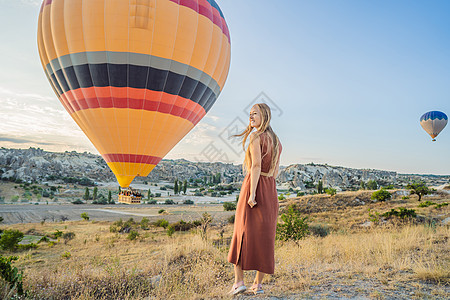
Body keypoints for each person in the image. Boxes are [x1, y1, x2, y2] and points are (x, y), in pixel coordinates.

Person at [227, 103, 282, 295]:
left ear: (264, 116)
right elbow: (274, 172)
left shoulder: (255, 136)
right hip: (270, 189)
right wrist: (267, 190)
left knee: (241, 233)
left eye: (255, 114)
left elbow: (256, 166)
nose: (251, 117)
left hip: (254, 186)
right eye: (249, 114)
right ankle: (257, 285)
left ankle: (239, 282)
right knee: (265, 237)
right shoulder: (277, 141)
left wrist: (252, 194)